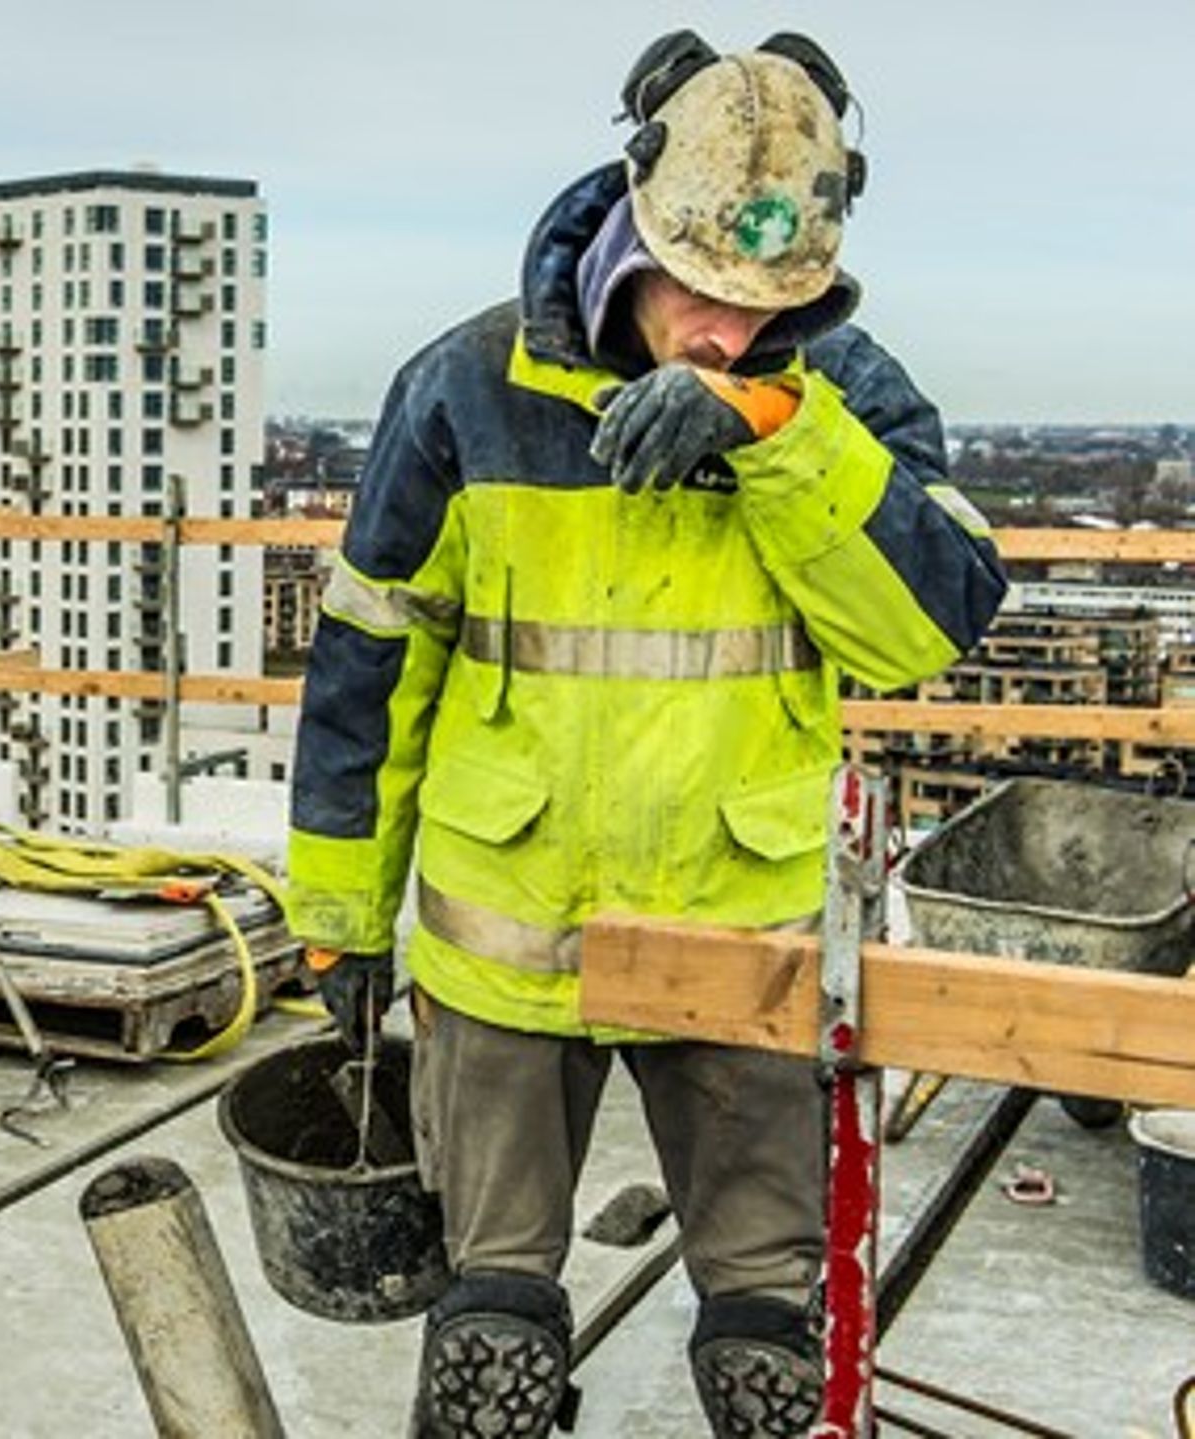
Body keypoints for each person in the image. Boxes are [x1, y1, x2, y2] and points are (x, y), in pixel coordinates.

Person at [284, 30, 1007, 1439]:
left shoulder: (836, 392)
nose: (731, 331)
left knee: (762, 1324)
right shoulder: (466, 389)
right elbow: (370, 666)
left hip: (737, 936)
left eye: (765, 310)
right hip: (511, 924)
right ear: (633, 226)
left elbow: (928, 624)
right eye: (704, 299)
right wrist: (339, 917)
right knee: (490, 1312)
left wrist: (775, 430)